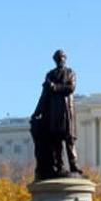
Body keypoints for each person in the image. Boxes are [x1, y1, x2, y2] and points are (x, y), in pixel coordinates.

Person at [30, 49, 83, 179]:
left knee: (69, 140)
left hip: (67, 111)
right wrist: (36, 113)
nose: (60, 60)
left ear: (65, 59)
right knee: (56, 141)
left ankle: (74, 165)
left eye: (62, 58)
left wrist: (54, 87)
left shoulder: (70, 73)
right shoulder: (50, 75)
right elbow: (44, 97)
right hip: (54, 113)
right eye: (58, 58)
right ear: (55, 60)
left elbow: (70, 88)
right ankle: (60, 166)